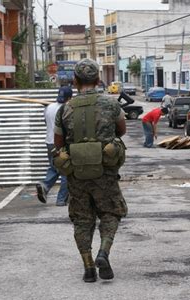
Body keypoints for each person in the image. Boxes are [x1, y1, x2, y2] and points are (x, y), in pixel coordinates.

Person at [53, 58, 127, 283]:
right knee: (110, 213)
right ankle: (103, 252)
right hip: (105, 171)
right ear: (97, 79)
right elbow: (121, 131)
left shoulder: (65, 108)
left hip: (77, 173)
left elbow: (58, 143)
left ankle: (88, 266)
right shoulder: (112, 104)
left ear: (75, 81)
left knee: (82, 219)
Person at [36, 86, 72, 206]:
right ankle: (61, 199)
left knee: (54, 167)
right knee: (66, 170)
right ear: (70, 98)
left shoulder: (48, 108)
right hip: (61, 143)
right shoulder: (67, 109)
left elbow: (46, 122)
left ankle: (45, 186)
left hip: (49, 142)